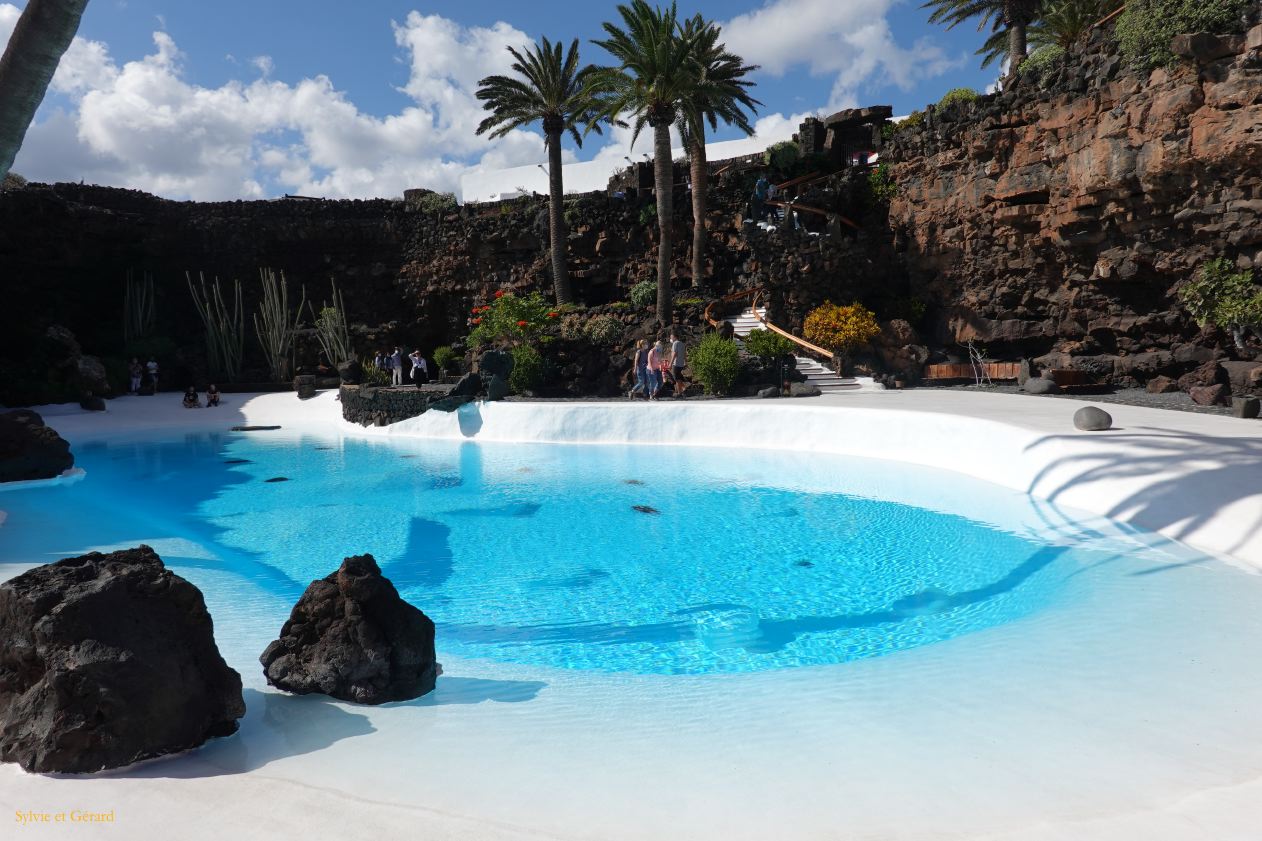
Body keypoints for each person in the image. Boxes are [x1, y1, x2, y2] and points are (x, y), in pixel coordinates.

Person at [669, 331, 687, 397]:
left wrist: (670, 363)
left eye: (671, 337)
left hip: (676, 363)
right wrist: (685, 362)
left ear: (675, 337)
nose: (670, 338)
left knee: (676, 378)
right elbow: (684, 354)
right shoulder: (682, 344)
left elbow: (674, 354)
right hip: (681, 364)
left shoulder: (675, 343)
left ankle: (680, 392)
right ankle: (681, 390)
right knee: (678, 377)